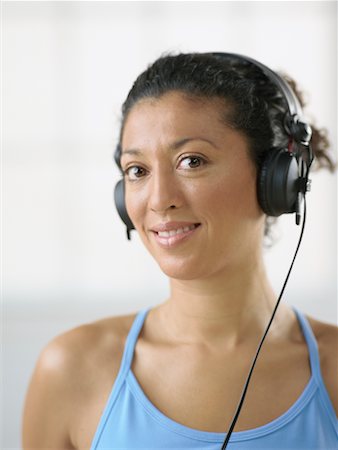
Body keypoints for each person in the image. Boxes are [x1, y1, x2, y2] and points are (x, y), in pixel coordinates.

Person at [23, 52, 337, 449]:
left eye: (192, 161)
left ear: (276, 179)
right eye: (137, 170)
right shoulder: (71, 369)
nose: (159, 200)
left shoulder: (333, 370)